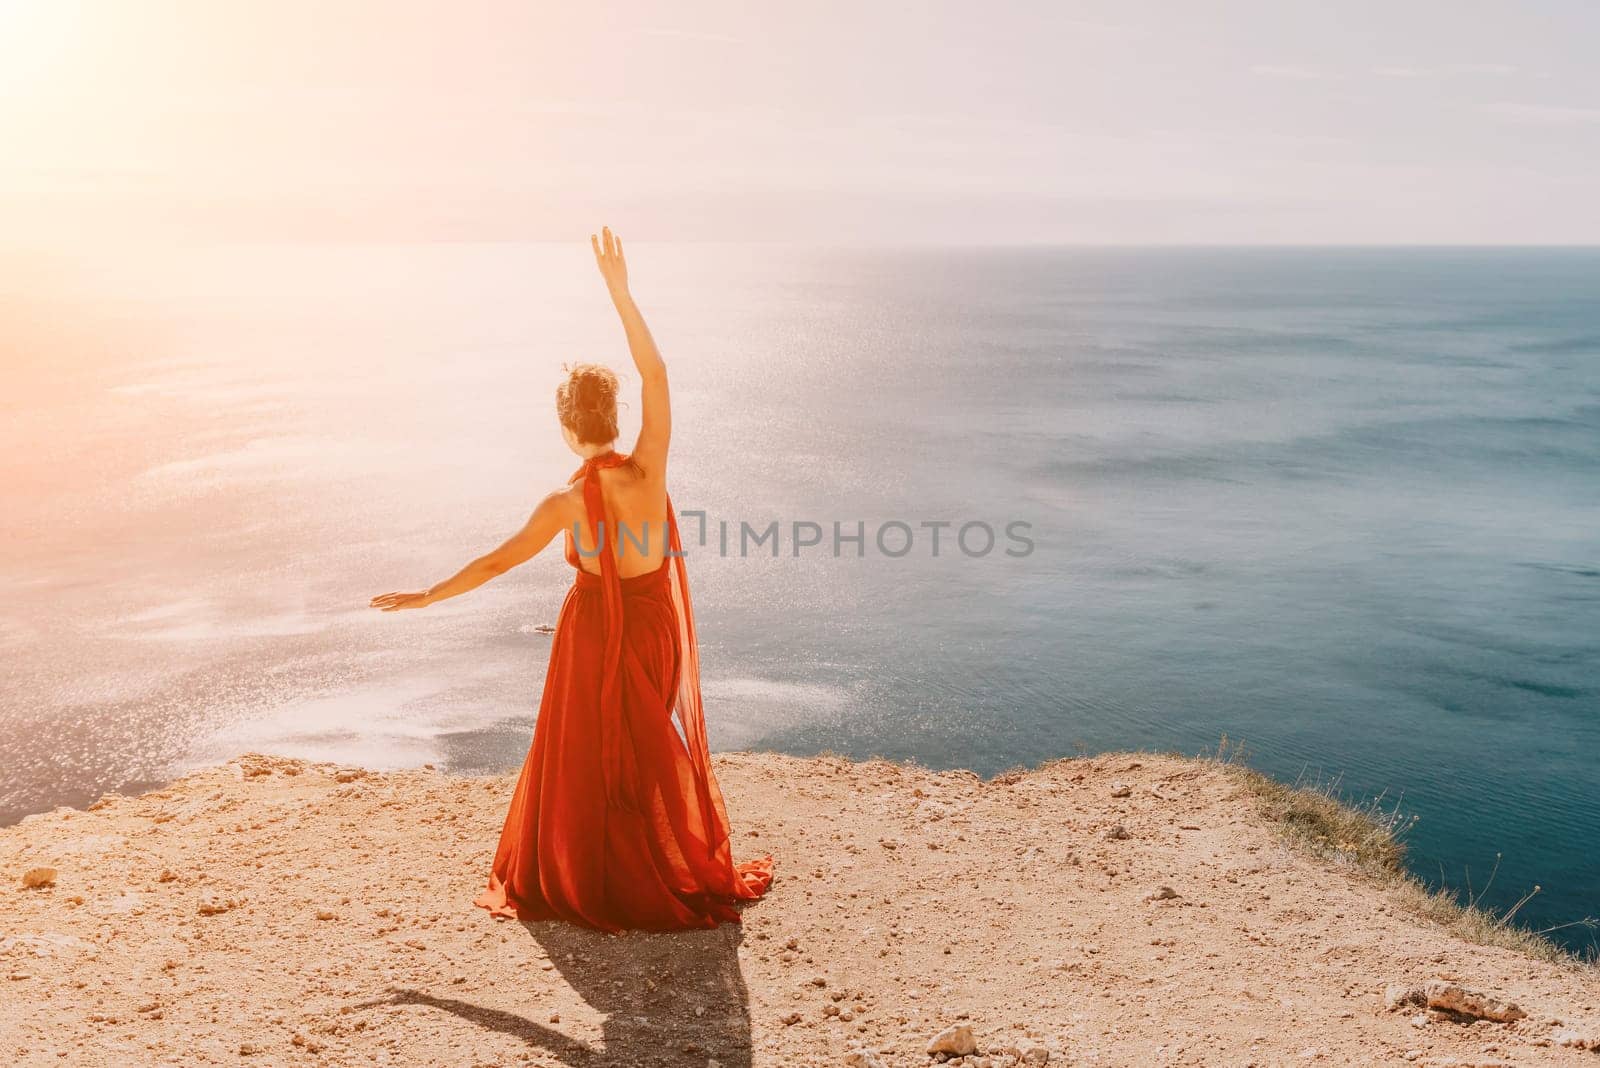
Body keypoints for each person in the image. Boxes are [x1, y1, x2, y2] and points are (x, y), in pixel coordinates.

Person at [370, 227, 773, 931]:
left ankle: (592, 871)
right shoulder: (648, 471)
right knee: (647, 743)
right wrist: (620, 291)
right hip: (653, 629)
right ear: (612, 419)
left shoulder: (563, 504)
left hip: (591, 633)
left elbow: (497, 562)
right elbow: (658, 375)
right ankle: (658, 858)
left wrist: (428, 595)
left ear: (565, 427)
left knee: (585, 750)